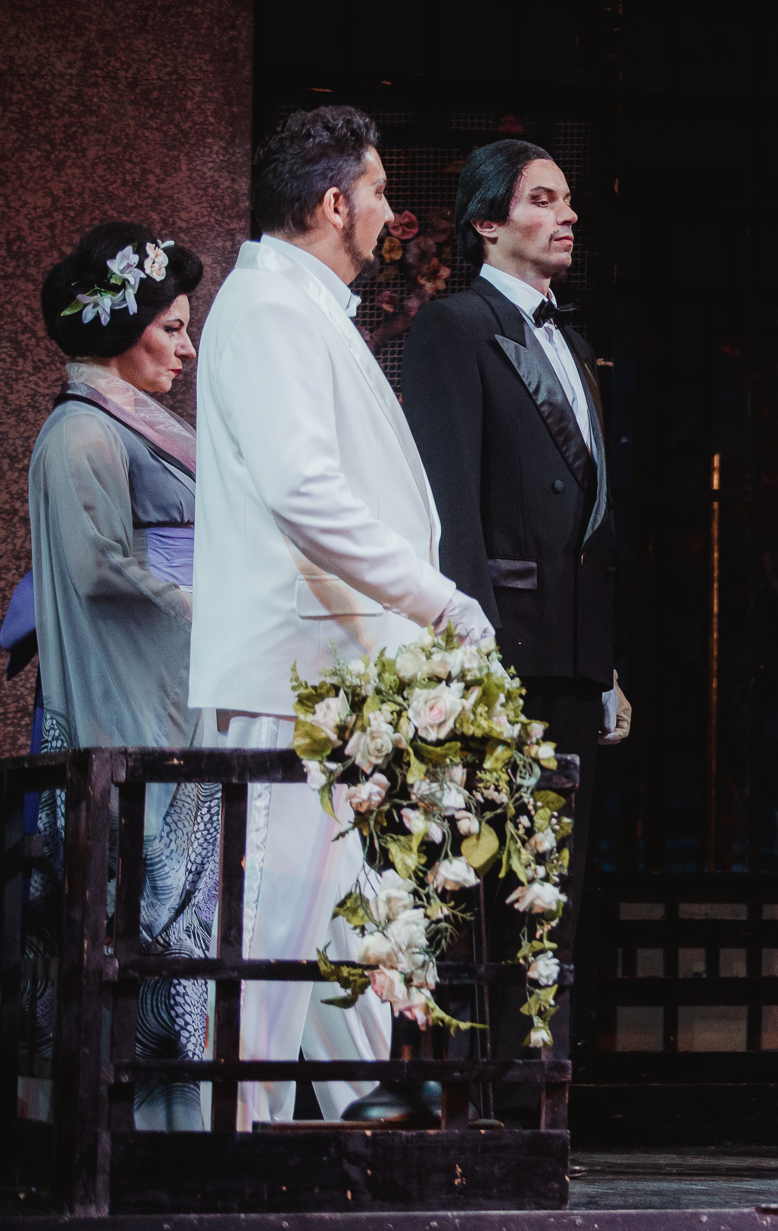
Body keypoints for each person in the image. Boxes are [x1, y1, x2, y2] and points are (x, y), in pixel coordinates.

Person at [190, 105, 493, 1127]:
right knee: (272, 952)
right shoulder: (270, 307)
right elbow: (303, 491)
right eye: (377, 189)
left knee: (341, 946)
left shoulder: (302, 303)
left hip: (330, 677)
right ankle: (232, 1157)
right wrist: (435, 598)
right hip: (293, 673)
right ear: (332, 203)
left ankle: (369, 1138)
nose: (390, 211)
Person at [402, 138, 625, 1124]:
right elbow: (449, 501)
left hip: (571, 654)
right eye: (542, 199)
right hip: (499, 647)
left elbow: (592, 517)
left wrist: (605, 664)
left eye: (567, 199)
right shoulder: (455, 326)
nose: (565, 215)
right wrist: (469, 643)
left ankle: (539, 1110)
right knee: (487, 885)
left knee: (554, 892)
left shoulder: (572, 342)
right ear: (487, 222)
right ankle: (479, 1109)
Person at [29, 222, 213, 1129]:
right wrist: (206, 606)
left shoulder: (128, 423)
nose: (187, 347)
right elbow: (98, 567)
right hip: (125, 700)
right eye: (172, 328)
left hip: (170, 692)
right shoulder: (81, 432)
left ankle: (169, 1133)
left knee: (171, 912)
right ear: (119, 326)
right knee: (131, 901)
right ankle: (123, 1138)